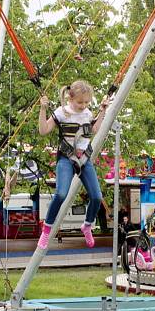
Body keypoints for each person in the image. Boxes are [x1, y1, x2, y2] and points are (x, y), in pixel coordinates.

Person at [37, 80, 110, 250]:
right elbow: (43, 131)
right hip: (66, 158)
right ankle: (46, 230)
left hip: (84, 159)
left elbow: (94, 131)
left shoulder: (87, 114)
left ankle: (87, 225)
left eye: (86, 102)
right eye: (80, 102)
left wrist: (103, 112)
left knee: (97, 197)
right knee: (61, 194)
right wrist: (42, 109)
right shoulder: (62, 113)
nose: (83, 105)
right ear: (70, 98)